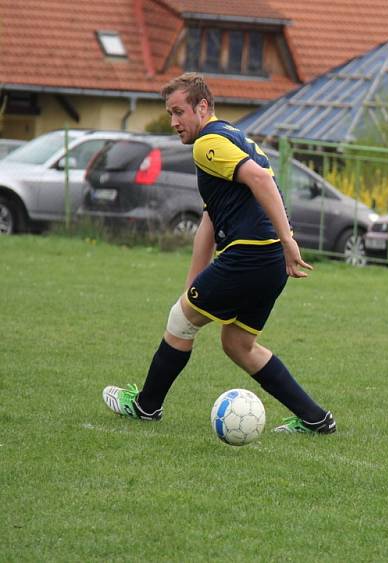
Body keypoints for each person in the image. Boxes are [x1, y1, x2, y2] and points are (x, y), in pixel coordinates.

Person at [102, 73, 335, 434]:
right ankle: (316, 419)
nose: (174, 121)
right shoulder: (232, 136)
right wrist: (192, 285)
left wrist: (288, 238)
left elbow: (260, 179)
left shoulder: (207, 143)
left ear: (203, 107)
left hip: (251, 254)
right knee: (238, 344)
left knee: (181, 323)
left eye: (180, 111)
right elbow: (210, 218)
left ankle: (146, 406)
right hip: (267, 260)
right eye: (170, 114)